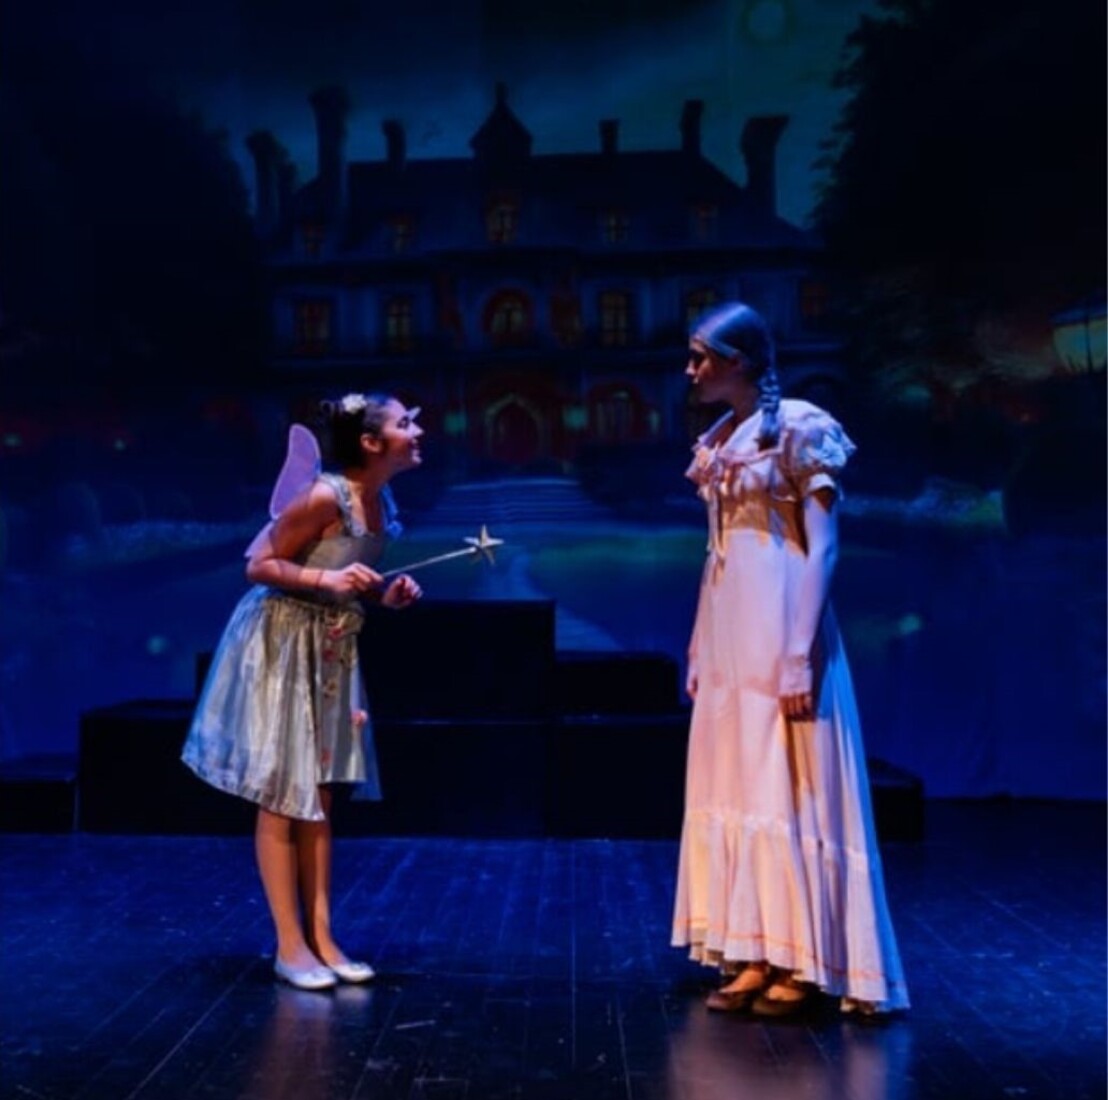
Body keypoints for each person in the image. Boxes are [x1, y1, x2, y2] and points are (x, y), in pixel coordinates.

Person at [671, 302, 909, 1018]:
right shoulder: (720, 438)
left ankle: (803, 959)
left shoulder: (800, 426)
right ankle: (753, 949)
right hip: (730, 631)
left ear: (738, 361)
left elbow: (823, 547)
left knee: (786, 780)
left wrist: (800, 654)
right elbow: (717, 551)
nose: (691, 370)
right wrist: (699, 639)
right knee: (741, 780)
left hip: (782, 623)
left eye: (701, 358)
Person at [182, 393, 424, 991]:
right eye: (404, 423)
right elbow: (260, 563)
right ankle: (289, 946)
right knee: (282, 792)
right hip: (283, 642)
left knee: (319, 795)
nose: (417, 430)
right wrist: (326, 578)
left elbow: (348, 577)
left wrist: (381, 593)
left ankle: (322, 938)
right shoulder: (323, 496)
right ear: (370, 442)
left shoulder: (380, 499)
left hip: (332, 646)